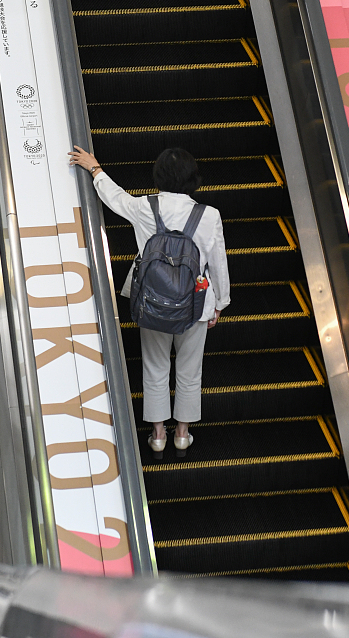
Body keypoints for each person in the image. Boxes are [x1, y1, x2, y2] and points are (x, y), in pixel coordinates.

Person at [69, 145, 230, 454]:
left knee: (155, 366)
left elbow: (114, 198)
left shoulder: (145, 206)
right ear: (194, 179)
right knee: (189, 368)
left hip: (152, 301)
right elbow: (218, 262)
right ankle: (182, 433)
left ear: (158, 176)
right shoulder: (209, 216)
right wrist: (220, 302)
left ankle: (157, 436)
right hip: (195, 304)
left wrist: (95, 168)